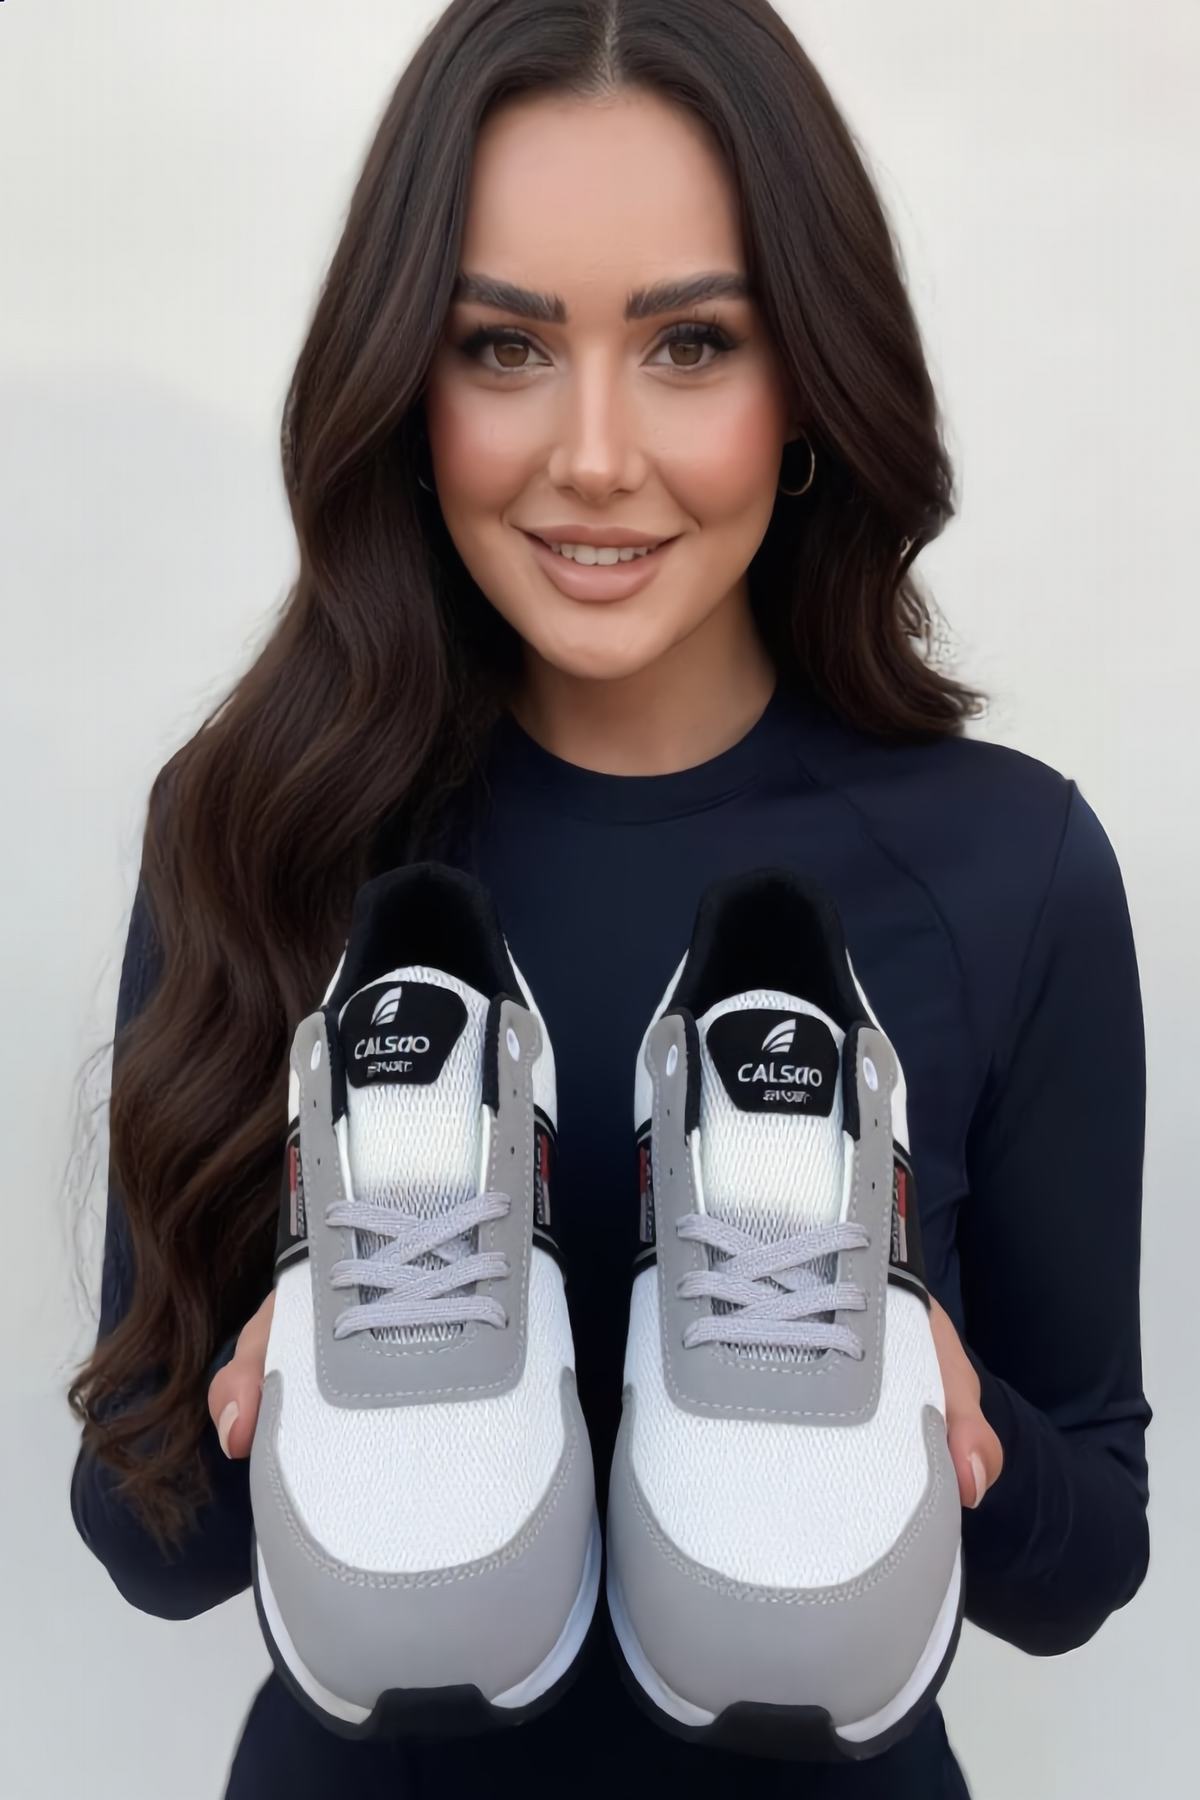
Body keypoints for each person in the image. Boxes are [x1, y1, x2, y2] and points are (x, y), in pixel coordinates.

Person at [67, 3, 1152, 1795]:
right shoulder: (264, 827)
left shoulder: (1007, 863)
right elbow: (144, 1536)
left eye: (689, 344)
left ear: (807, 383)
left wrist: (940, 1410)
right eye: (503, 345)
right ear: (407, 389)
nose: (590, 453)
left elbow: (1088, 1559)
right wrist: (281, 1381)